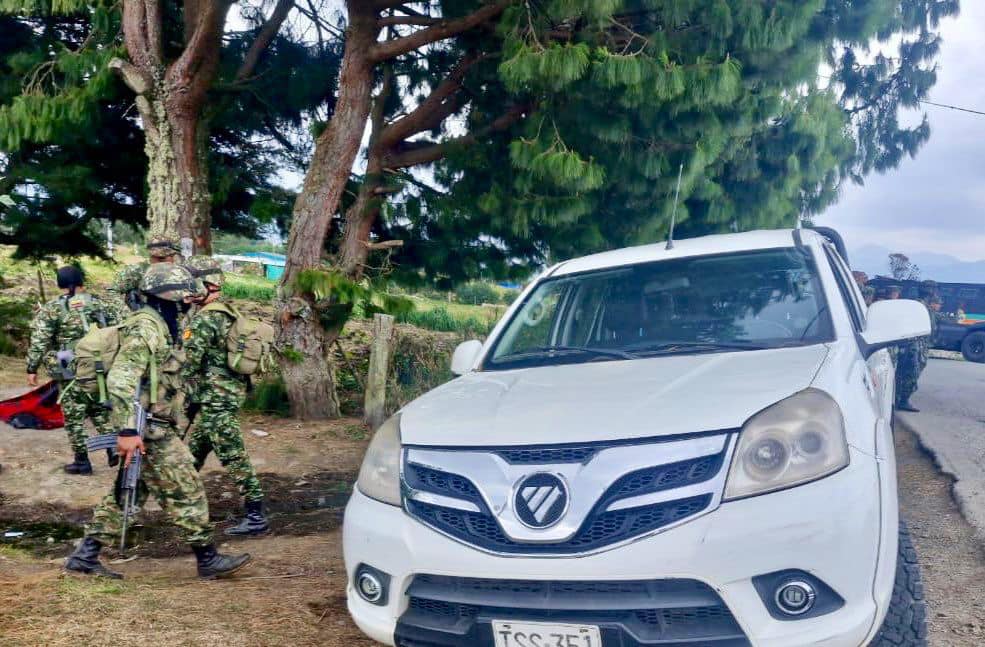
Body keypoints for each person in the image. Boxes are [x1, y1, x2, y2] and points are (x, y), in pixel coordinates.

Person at [65, 264, 251, 579]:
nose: (187, 303)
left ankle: (85, 556)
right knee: (187, 487)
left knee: (129, 493)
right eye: (182, 298)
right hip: (145, 427)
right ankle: (207, 558)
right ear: (168, 297)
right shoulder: (148, 327)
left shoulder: (162, 323)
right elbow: (122, 380)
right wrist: (126, 431)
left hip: (155, 424)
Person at [181, 256, 269, 536]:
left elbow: (189, 362)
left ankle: (256, 515)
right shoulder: (226, 311)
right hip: (219, 396)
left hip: (217, 398)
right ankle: (181, 503)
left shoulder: (207, 318)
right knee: (192, 453)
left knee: (233, 455)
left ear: (203, 284)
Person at [25, 266, 125, 474]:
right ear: (82, 282)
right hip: (99, 364)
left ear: (59, 284)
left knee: (73, 415)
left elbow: (40, 340)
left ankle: (82, 461)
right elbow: (118, 329)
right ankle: (112, 449)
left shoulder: (52, 308)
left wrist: (32, 367)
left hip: (69, 365)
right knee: (99, 408)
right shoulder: (100, 303)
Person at [110, 237, 180, 311]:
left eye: (172, 256)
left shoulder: (176, 272)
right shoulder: (137, 271)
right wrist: (124, 313)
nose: (172, 260)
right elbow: (112, 292)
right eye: (169, 256)